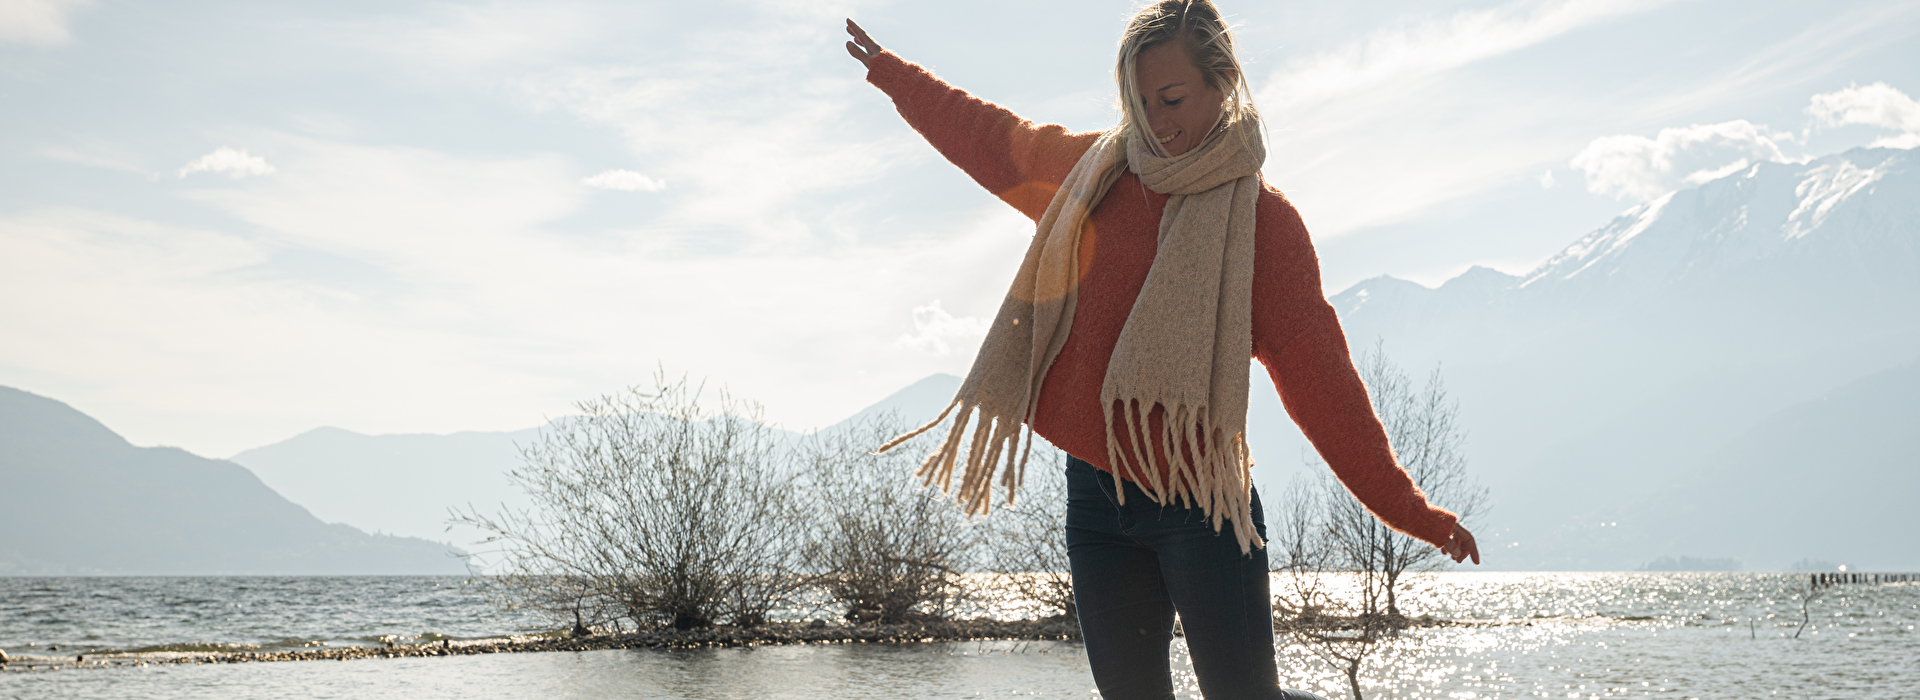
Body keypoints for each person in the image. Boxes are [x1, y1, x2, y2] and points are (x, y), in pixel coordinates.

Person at [845, 2, 1480, 699]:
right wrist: (894, 76)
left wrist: (1411, 511)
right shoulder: (1097, 174)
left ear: (1222, 82)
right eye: (1140, 102)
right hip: (1094, 500)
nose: (1157, 120)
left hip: (1201, 506)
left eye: (1173, 98)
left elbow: (1323, 387)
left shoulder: (1265, 227)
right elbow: (998, 141)